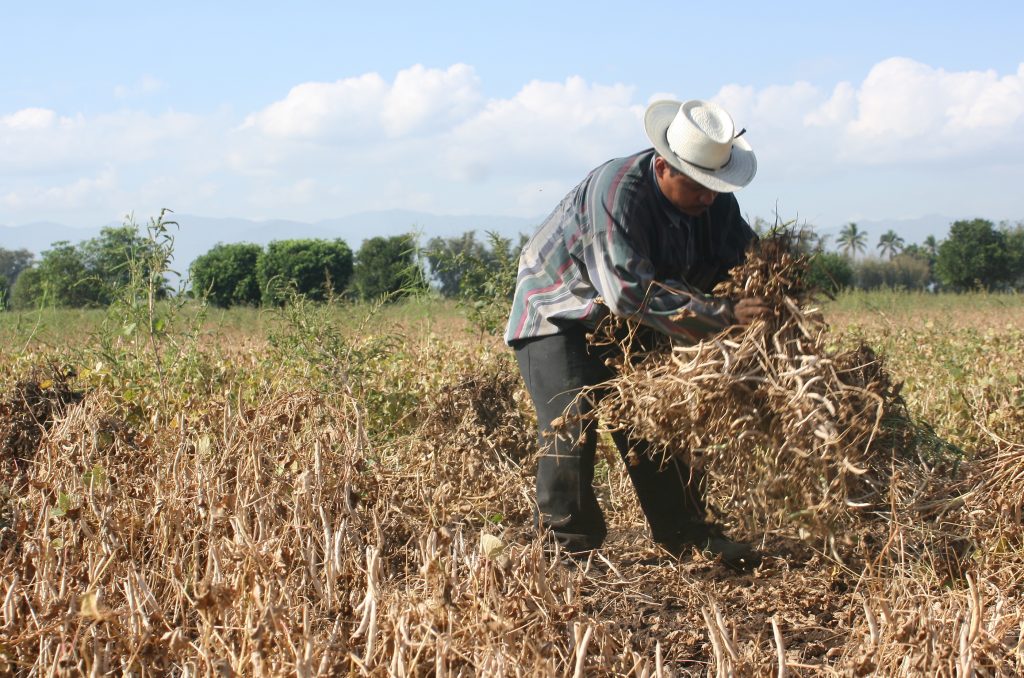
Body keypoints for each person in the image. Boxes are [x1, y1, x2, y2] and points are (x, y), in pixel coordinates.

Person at [505, 99, 771, 569]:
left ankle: (688, 536)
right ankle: (566, 552)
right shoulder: (616, 193)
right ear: (664, 167)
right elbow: (628, 292)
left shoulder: (714, 203)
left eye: (715, 187)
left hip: (634, 324)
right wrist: (724, 314)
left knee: (656, 421)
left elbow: (743, 260)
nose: (708, 199)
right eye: (698, 186)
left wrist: (770, 286)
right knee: (571, 426)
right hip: (560, 311)